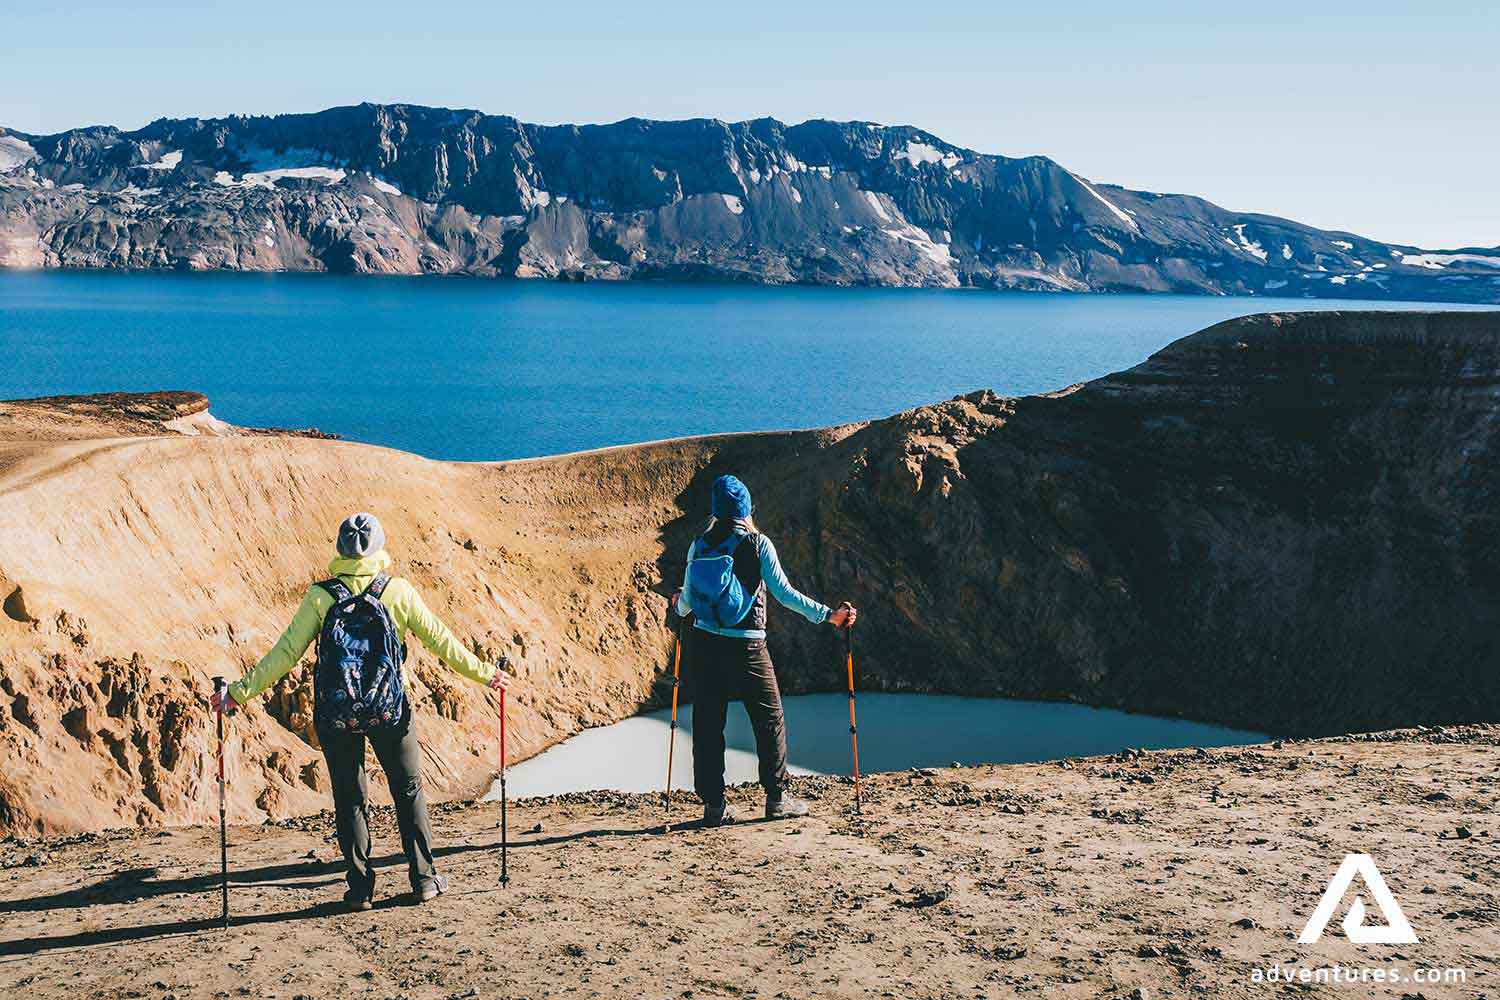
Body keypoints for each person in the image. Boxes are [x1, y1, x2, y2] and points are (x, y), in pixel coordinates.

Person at [212, 512, 513, 910]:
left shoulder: (321, 597)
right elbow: (442, 642)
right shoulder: (398, 591)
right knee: (408, 791)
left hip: (337, 714)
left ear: (340, 549)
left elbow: (286, 652)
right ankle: (423, 879)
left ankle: (359, 890)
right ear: (379, 547)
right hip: (391, 709)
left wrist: (238, 692)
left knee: (350, 797)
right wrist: (488, 674)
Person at [672, 475, 857, 826]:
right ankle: (776, 799)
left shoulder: (699, 545)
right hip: (748, 647)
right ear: (746, 508)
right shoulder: (758, 544)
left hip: (706, 645)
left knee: (709, 724)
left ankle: (714, 807)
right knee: (769, 721)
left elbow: (687, 602)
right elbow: (785, 594)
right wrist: (829, 616)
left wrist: (677, 607)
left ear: (715, 509)